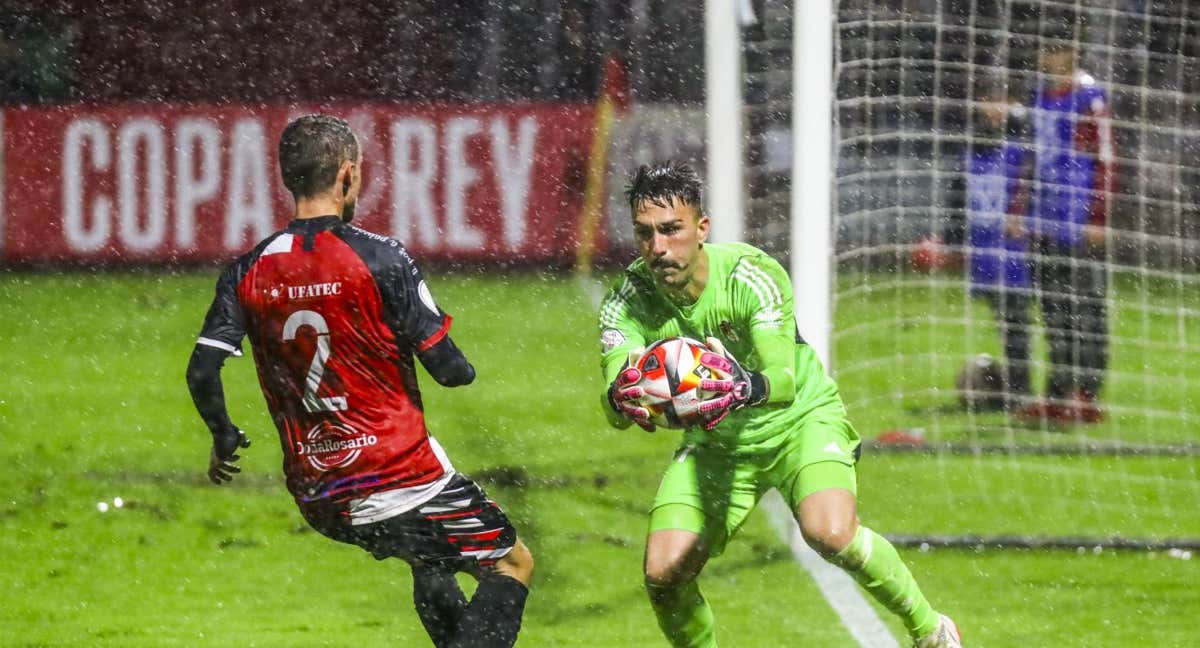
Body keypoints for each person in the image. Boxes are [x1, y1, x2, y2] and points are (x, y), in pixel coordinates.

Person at [186, 114, 533, 648]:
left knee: (430, 562)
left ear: (288, 179)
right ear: (348, 175)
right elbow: (451, 372)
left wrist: (224, 434)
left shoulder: (249, 268)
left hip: (320, 493)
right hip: (397, 476)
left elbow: (203, 369)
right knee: (510, 562)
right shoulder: (379, 256)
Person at [598, 162, 962, 648]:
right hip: (717, 446)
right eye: (645, 234)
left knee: (829, 531)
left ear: (701, 228)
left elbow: (784, 380)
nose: (658, 247)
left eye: (671, 230)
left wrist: (745, 385)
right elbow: (615, 401)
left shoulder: (752, 275)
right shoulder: (625, 301)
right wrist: (621, 399)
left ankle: (931, 630)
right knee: (664, 573)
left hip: (799, 423)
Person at [1020, 41, 1116, 424]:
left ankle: (1087, 394)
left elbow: (1106, 160)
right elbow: (1030, 157)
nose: (1047, 58)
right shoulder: (1039, 97)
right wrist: (1019, 210)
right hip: (1044, 218)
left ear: (1073, 54)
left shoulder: (1091, 98)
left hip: (1078, 219)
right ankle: (1058, 391)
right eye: (1044, 51)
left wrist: (1099, 217)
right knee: (1053, 308)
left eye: (1055, 51)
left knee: (1087, 307)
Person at [952, 84, 1036, 411]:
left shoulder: (1021, 145)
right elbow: (956, 198)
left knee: (1017, 324)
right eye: (987, 100)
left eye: (1000, 101)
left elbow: (1031, 177)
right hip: (985, 253)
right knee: (1007, 324)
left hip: (1016, 253)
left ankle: (1023, 391)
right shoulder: (973, 146)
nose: (993, 109)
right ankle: (1015, 390)